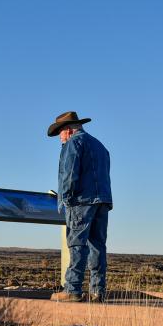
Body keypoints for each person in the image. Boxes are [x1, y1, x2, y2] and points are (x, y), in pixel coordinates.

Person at [47, 111, 113, 302]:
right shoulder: (100, 146)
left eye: (60, 132)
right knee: (98, 245)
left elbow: (69, 172)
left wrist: (66, 197)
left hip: (81, 201)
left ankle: (72, 289)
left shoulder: (73, 143)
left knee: (77, 244)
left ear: (68, 130)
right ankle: (97, 291)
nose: (60, 136)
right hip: (102, 201)